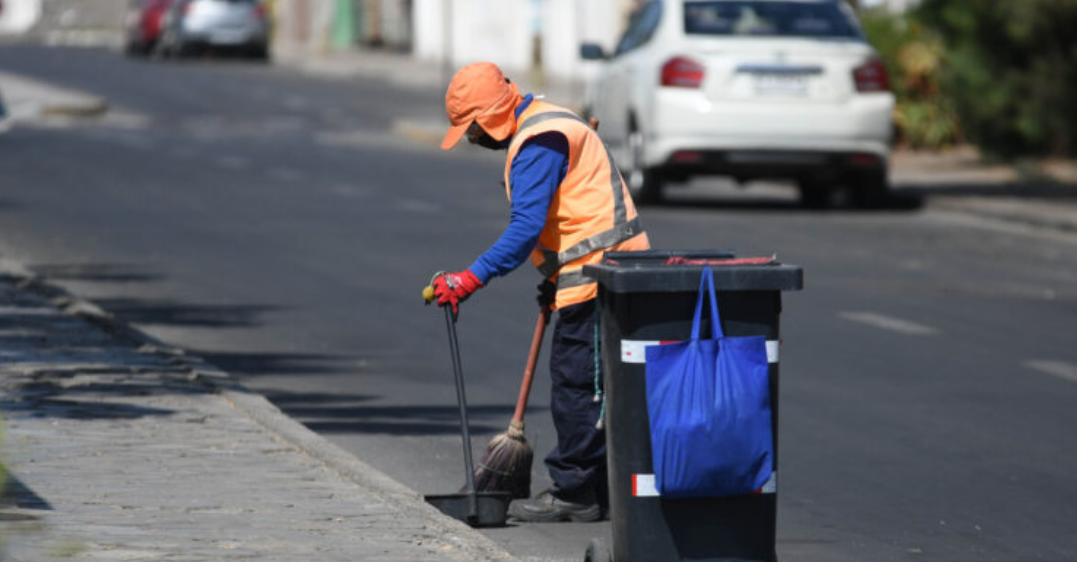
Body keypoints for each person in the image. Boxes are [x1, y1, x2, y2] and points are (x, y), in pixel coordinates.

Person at [431, 62, 650, 523]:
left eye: (472, 130)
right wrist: (553, 278)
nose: (473, 140)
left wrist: (469, 279)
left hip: (600, 274)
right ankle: (601, 488)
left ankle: (574, 492)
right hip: (598, 270)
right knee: (597, 387)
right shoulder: (545, 119)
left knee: (577, 387)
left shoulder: (537, 143)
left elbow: (525, 230)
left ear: (489, 117)